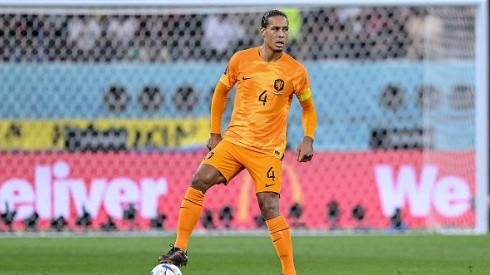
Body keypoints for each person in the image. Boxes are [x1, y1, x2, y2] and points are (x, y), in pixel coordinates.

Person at [158, 10, 317, 275]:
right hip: (234, 142)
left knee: (268, 206)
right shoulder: (240, 60)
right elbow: (221, 92)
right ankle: (180, 248)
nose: (281, 35)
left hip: (267, 150)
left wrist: (308, 139)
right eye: (275, 29)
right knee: (199, 180)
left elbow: (308, 108)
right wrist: (214, 132)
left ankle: (290, 272)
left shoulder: (296, 71)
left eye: (284, 30)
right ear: (262, 31)